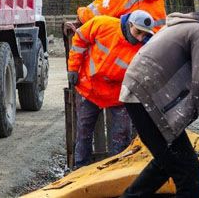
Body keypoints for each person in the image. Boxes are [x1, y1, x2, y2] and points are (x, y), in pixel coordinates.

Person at [118, 0, 199, 198]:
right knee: (189, 174)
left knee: (167, 162)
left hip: (139, 94)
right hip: (145, 98)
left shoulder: (183, 24)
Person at [66, 10, 155, 168]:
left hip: (118, 96)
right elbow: (79, 39)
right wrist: (73, 67)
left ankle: (117, 170)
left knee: (121, 137)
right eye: (138, 32)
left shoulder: (147, 47)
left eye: (145, 34)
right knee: (84, 133)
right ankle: (78, 171)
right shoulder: (102, 25)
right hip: (89, 88)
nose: (140, 38)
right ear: (129, 25)